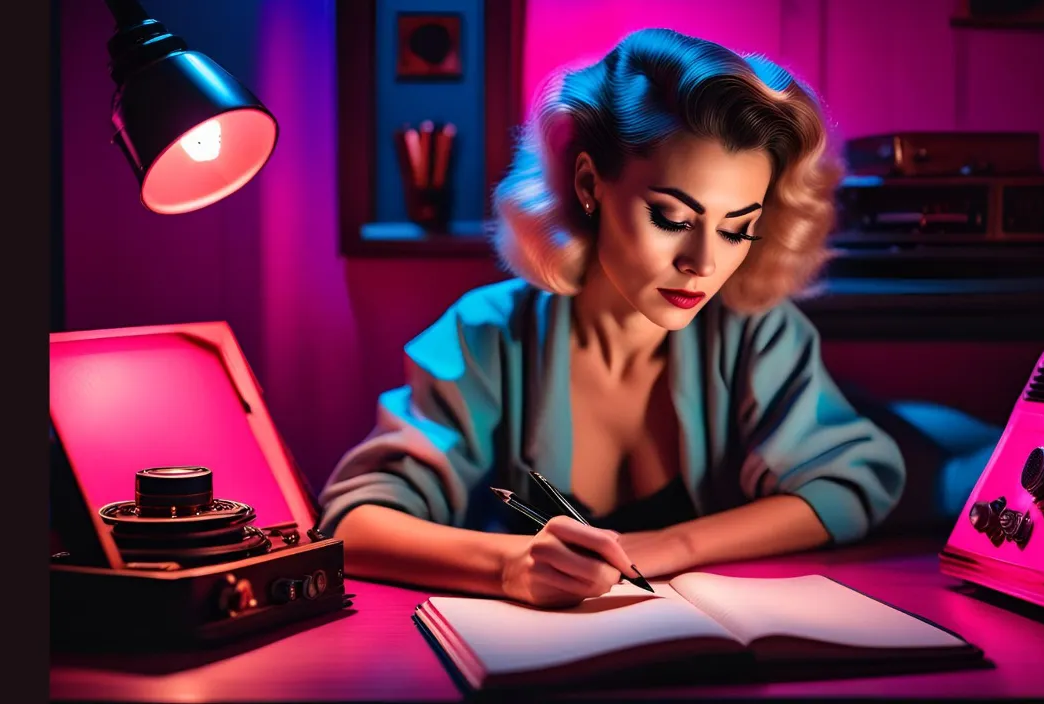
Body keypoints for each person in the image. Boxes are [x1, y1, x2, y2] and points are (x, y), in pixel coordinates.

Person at [318, 28, 905, 609]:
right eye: (673, 218)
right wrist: (508, 565)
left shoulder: (756, 332)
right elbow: (356, 521)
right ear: (588, 184)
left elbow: (852, 484)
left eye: (736, 229)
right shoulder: (488, 337)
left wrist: (668, 545)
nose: (703, 262)